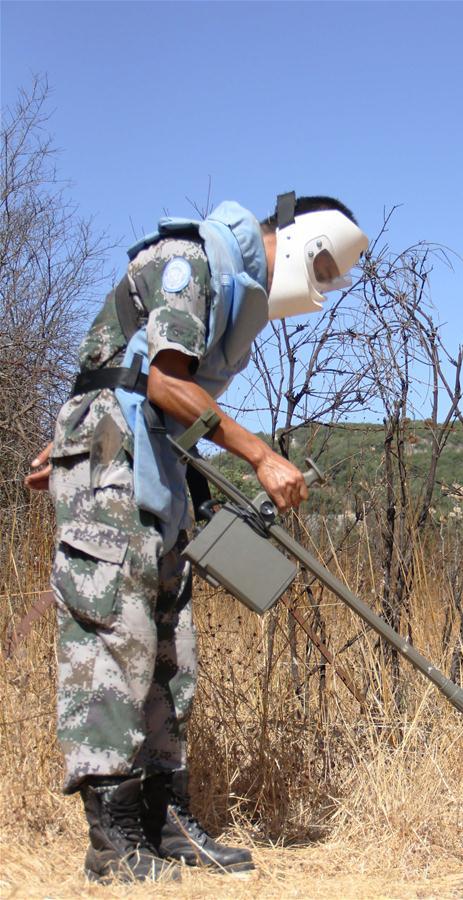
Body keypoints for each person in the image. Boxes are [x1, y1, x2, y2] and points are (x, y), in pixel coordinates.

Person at [25, 192, 368, 882]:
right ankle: (114, 845)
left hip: (149, 472)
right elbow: (160, 380)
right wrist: (257, 453)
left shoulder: (230, 289)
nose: (324, 285)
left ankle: (168, 823)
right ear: (301, 238)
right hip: (114, 471)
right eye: (326, 268)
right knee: (110, 648)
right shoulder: (190, 259)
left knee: (168, 654)